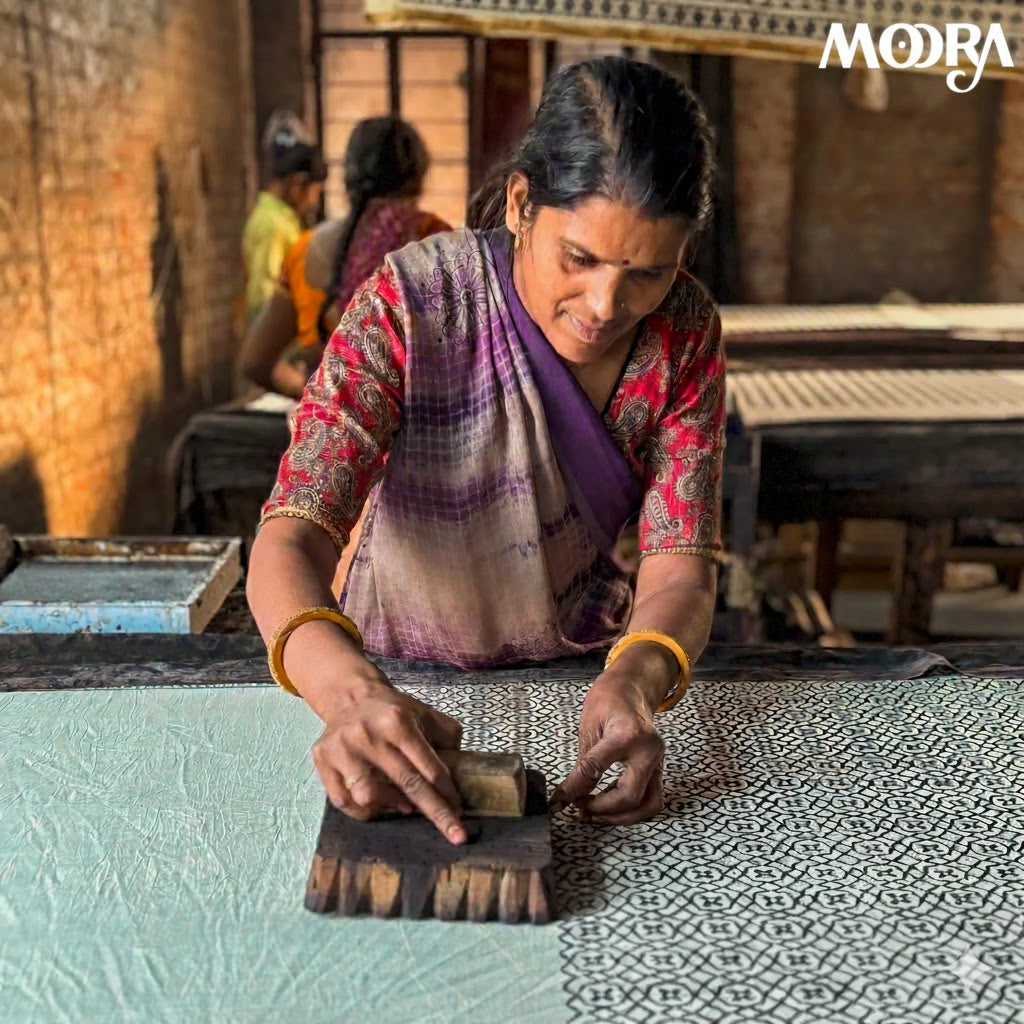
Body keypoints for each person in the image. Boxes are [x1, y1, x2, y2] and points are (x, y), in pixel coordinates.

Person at [246, 57, 724, 845]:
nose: (606, 305)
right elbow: (290, 538)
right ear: (520, 205)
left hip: (579, 679)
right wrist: (350, 695)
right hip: (383, 685)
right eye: (579, 259)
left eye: (648, 272)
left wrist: (636, 682)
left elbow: (679, 565)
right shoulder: (413, 302)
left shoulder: (682, 333)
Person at [240, 117, 450, 399]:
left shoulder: (305, 251)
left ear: (348, 181)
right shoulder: (437, 242)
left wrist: (321, 399)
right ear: (419, 180)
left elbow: (255, 362)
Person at [240, 127, 328, 328]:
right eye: (315, 192)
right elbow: (264, 294)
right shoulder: (273, 224)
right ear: (298, 184)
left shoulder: (280, 219)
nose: (314, 203)